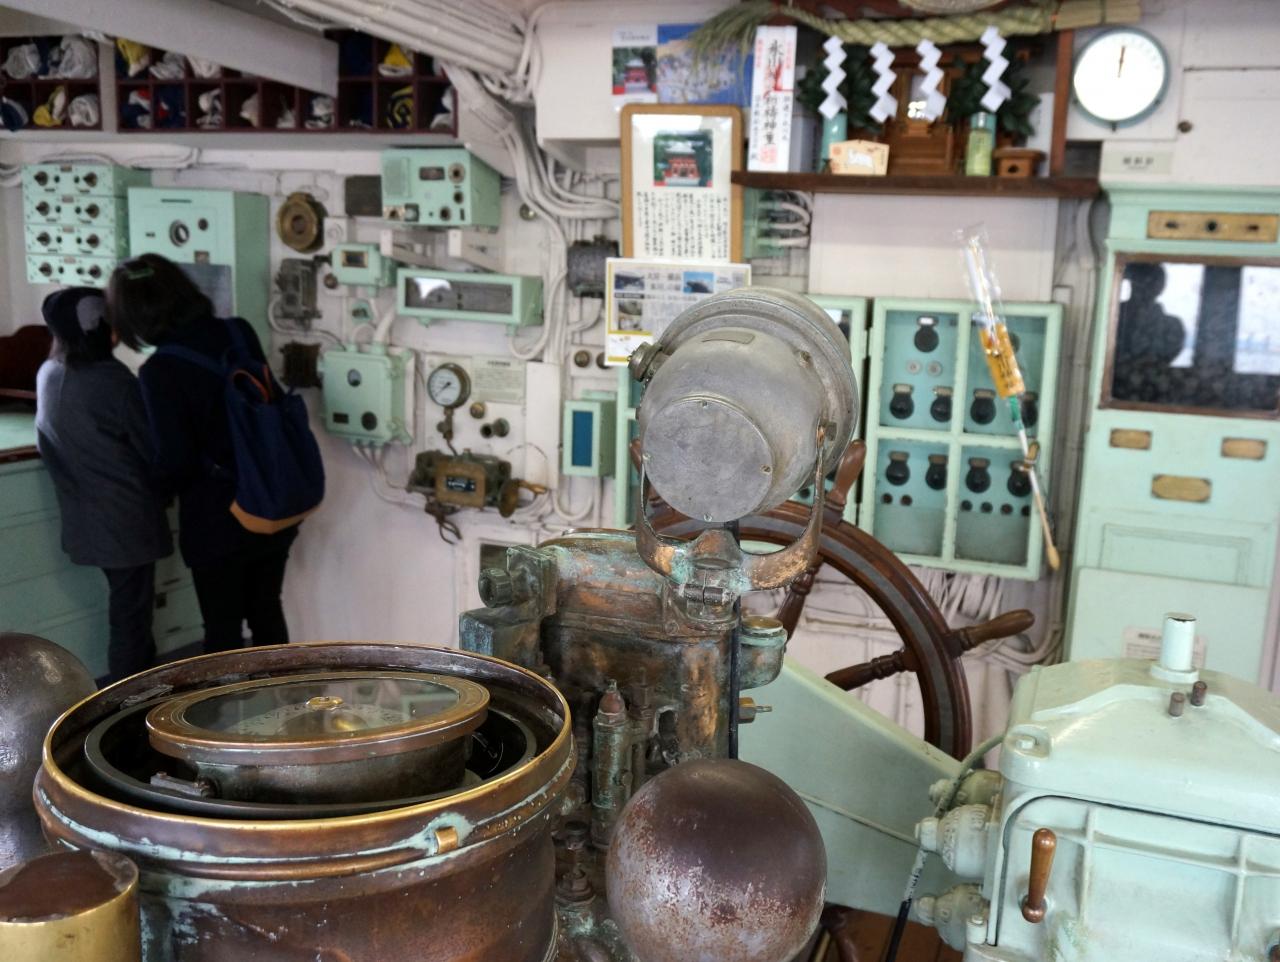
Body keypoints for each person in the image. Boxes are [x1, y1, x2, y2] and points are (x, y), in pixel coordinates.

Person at [106, 254, 297, 654]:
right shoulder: (238, 331)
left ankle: (226, 699)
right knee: (267, 610)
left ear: (135, 315)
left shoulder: (160, 370)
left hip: (217, 518)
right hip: (271, 496)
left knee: (222, 630)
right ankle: (285, 694)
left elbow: (175, 460)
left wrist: (150, 491)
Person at [34, 287, 172, 682]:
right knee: (131, 621)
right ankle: (132, 703)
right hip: (126, 520)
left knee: (127, 613)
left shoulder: (49, 373)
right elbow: (153, 448)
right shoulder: (112, 381)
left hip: (85, 517)